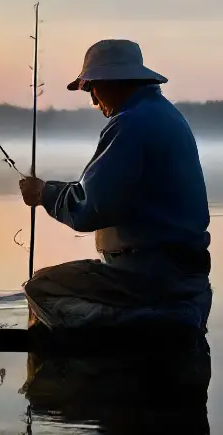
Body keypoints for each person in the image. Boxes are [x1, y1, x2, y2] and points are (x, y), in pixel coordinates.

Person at [18, 39, 212, 334]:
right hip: (182, 277)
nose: (93, 101)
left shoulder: (130, 124)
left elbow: (91, 210)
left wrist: (45, 194)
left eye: (90, 88)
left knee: (41, 287)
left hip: (149, 278)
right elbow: (105, 191)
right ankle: (159, 318)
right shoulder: (164, 115)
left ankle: (145, 324)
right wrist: (53, 191)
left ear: (109, 82)